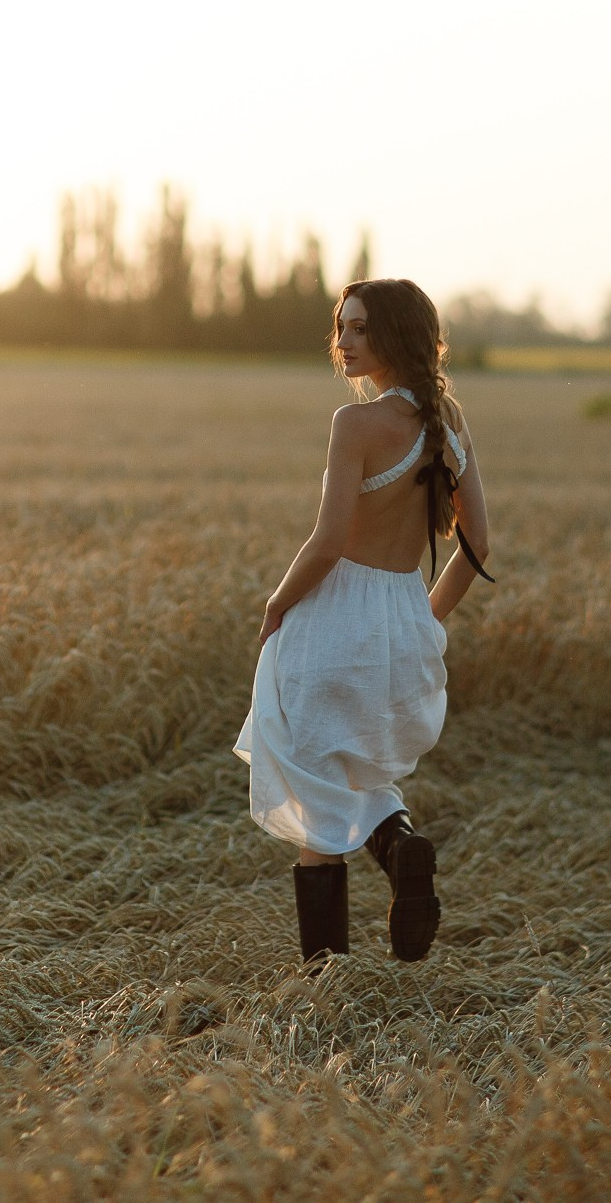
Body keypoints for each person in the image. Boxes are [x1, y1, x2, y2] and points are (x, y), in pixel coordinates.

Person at [233, 277, 494, 965]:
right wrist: (422, 623)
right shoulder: (450, 422)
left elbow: (326, 542)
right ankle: (400, 845)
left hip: (332, 621)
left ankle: (325, 981)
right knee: (349, 774)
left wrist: (276, 604)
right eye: (339, 327)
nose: (342, 342)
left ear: (395, 337)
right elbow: (480, 548)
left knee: (317, 792)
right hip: (401, 619)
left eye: (358, 329)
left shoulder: (355, 425)